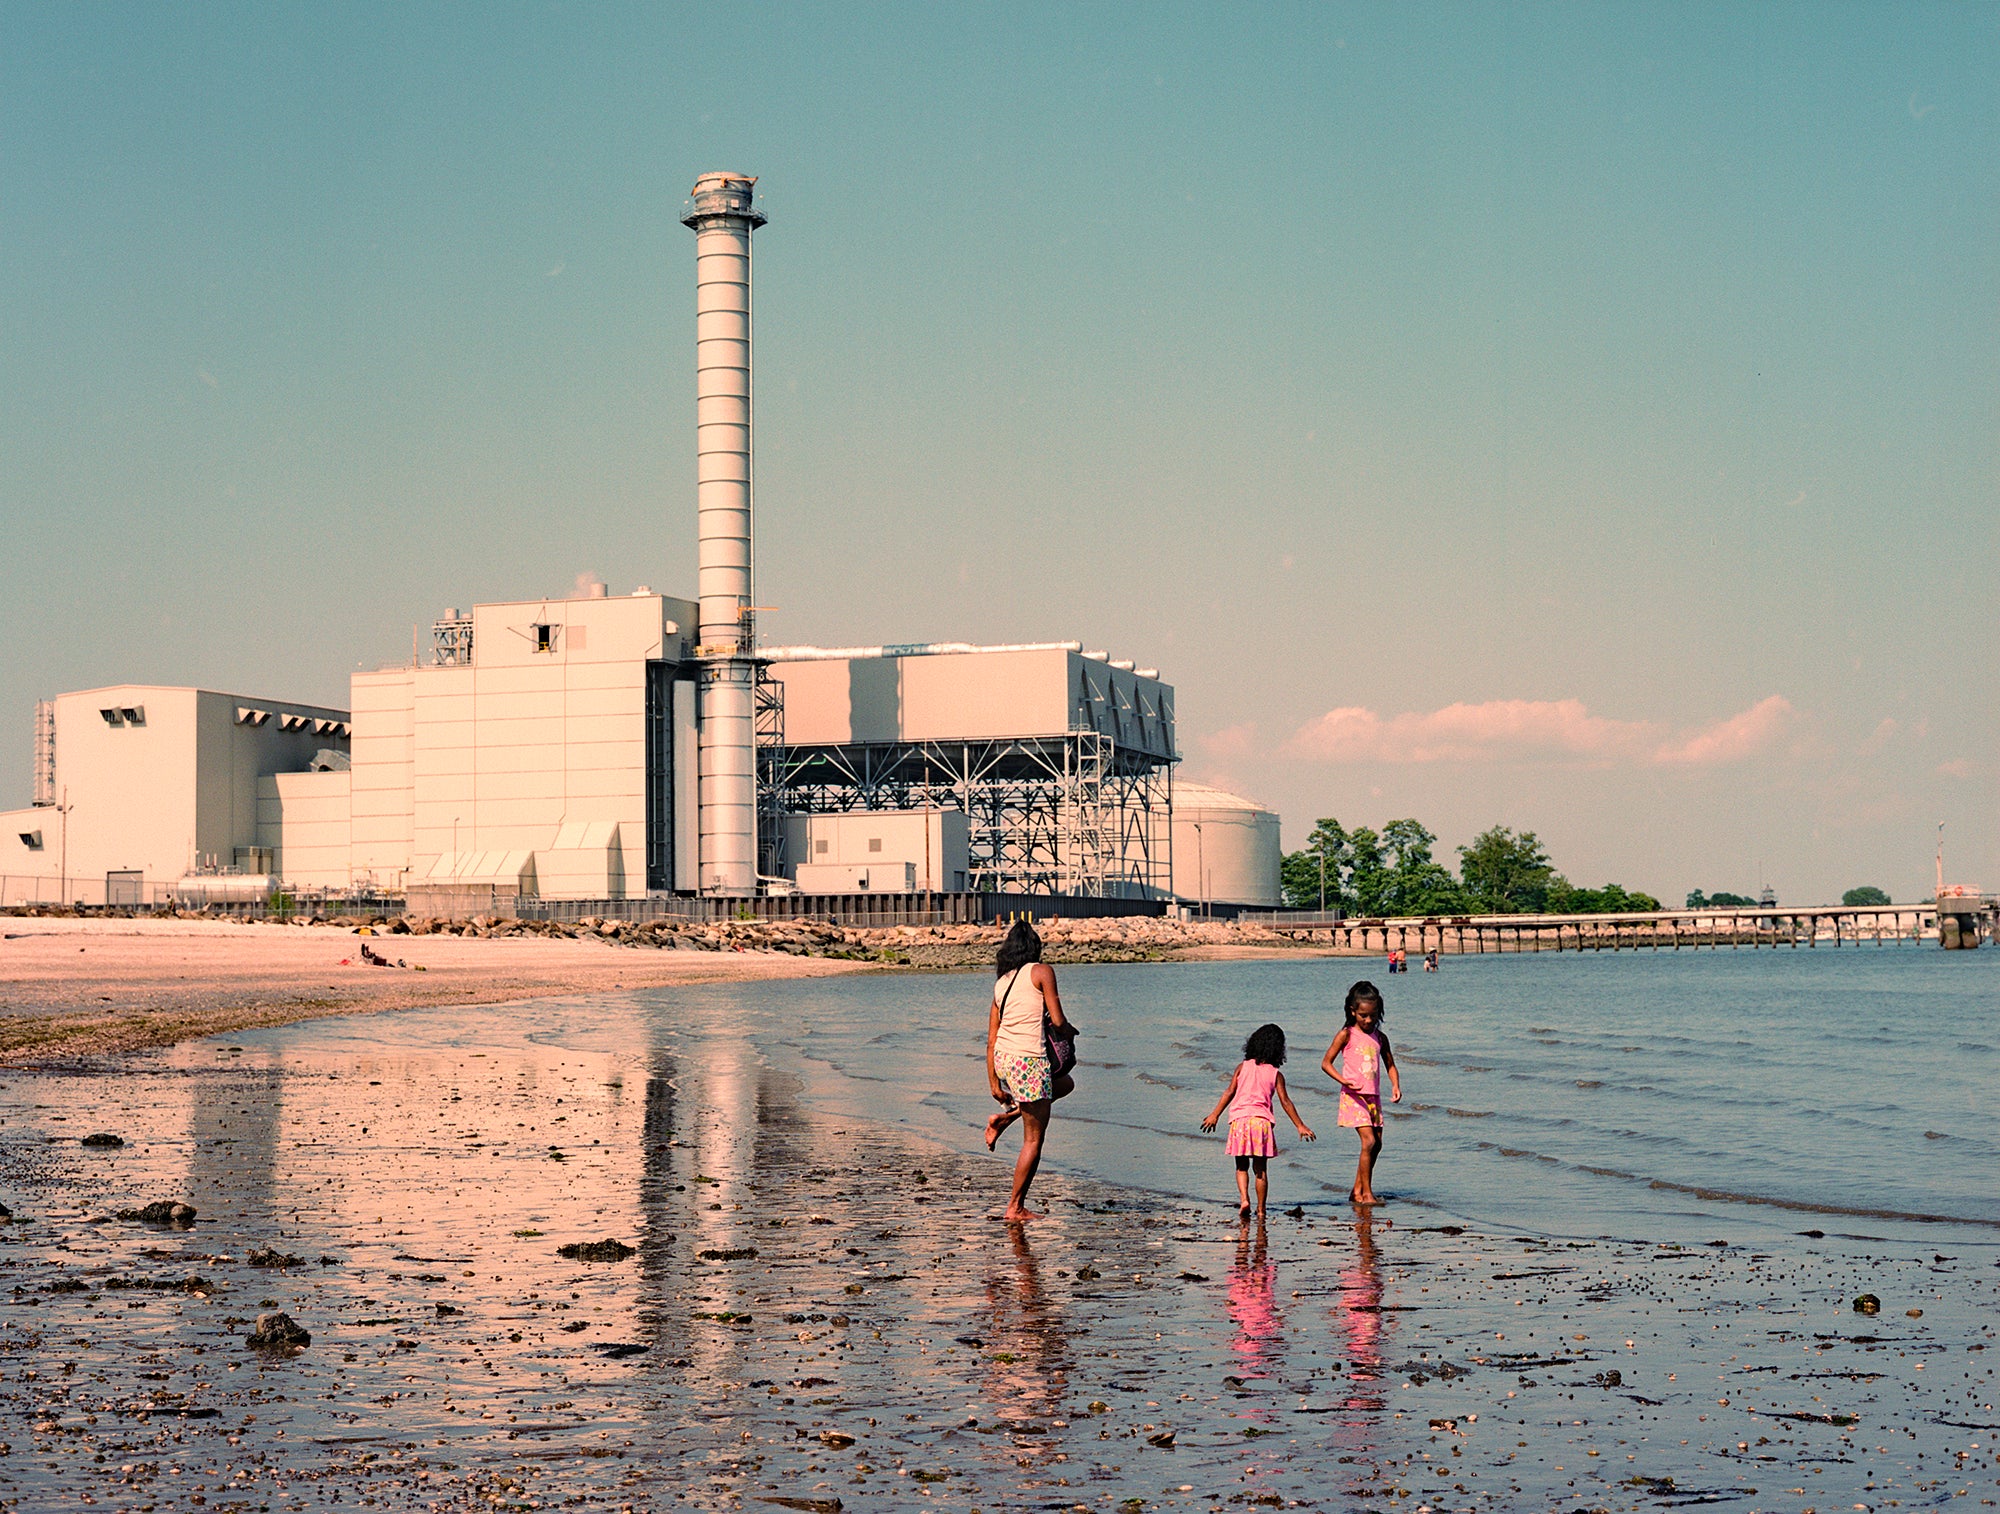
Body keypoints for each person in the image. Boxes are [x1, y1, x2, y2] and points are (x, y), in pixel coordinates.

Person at [983, 920, 1074, 1221]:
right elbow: (1058, 1022)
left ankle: (1003, 1119)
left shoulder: (1001, 982)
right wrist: (1071, 1030)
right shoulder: (1042, 971)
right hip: (1029, 1060)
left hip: (1006, 1060)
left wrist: (994, 1083)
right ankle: (1015, 1207)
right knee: (1033, 1140)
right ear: (1035, 947)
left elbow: (992, 1036)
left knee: (1065, 1085)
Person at [1200, 1023, 1316, 1219]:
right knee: (1260, 1170)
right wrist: (1300, 1125)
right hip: (1261, 1123)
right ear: (1278, 1049)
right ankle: (1261, 1210)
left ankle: (1244, 1199)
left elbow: (1229, 1092)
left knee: (1241, 1166)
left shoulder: (1242, 1067)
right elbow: (1286, 1102)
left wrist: (1214, 1115)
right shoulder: (1275, 1074)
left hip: (1240, 1121)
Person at [1320, 980, 1400, 1204]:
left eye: (1373, 1015)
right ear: (1352, 1011)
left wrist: (1395, 1085)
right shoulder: (1346, 1035)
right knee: (1369, 1142)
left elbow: (1390, 1065)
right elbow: (1326, 1063)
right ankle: (1366, 1194)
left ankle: (1357, 1190)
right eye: (1363, 1015)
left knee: (1378, 1143)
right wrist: (1343, 1080)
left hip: (1373, 1098)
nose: (1368, 1020)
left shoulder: (1380, 1038)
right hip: (1354, 1097)